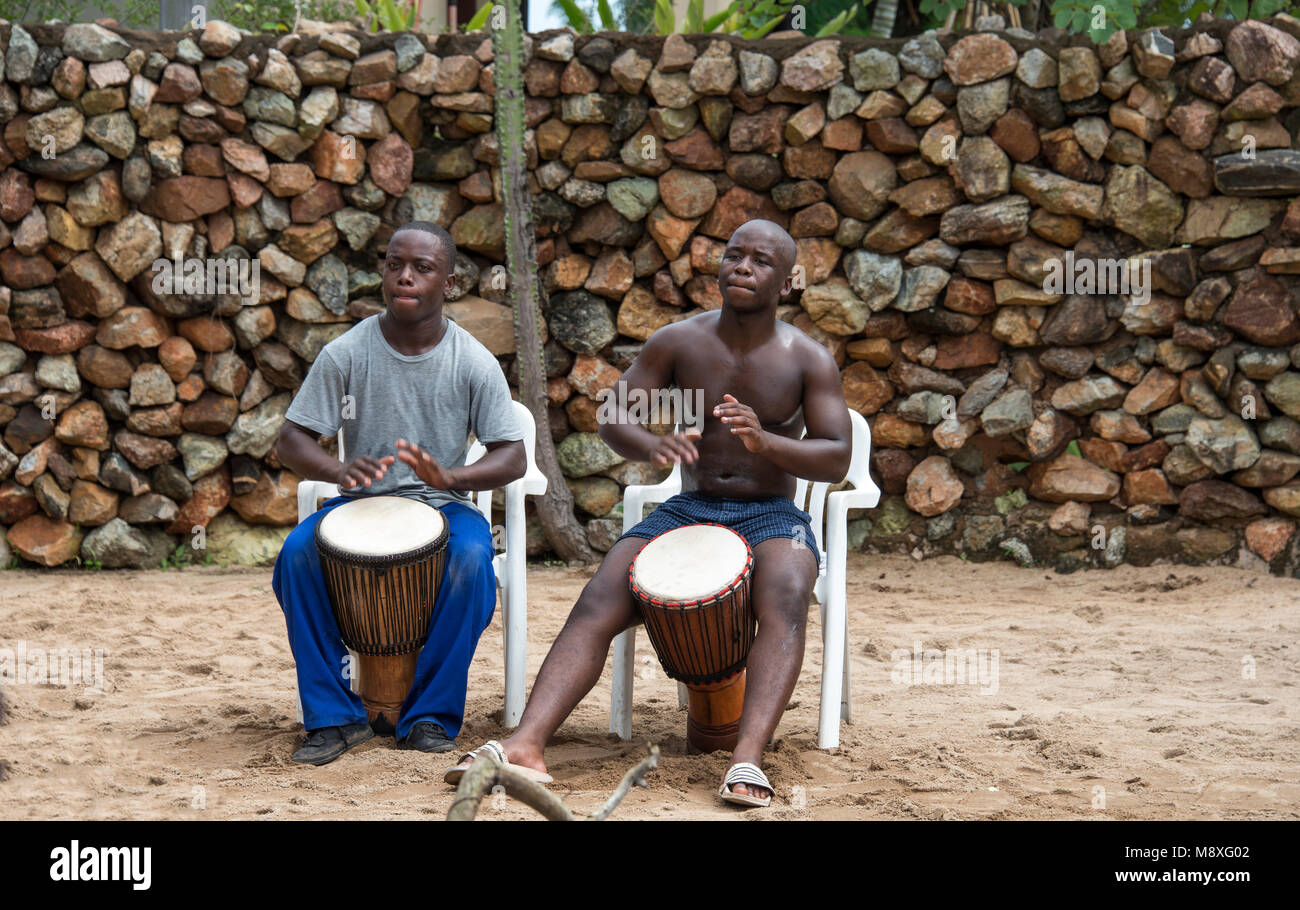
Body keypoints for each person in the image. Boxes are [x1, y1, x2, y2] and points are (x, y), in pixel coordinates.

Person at [447, 219, 853, 807]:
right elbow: (615, 418)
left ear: (787, 282)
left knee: (788, 586)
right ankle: (526, 744)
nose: (742, 267)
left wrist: (768, 444)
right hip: (690, 507)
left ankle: (746, 762)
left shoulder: (806, 358)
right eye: (734, 255)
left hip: (770, 514)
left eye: (760, 261)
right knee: (602, 591)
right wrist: (652, 446)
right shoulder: (679, 341)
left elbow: (835, 453)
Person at [273, 221, 526, 765]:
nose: (404, 276)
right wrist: (338, 470)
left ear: (449, 284)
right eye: (394, 264)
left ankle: (430, 715)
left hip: (443, 509)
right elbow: (291, 439)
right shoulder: (347, 352)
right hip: (360, 508)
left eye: (422, 268)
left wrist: (452, 479)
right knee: (296, 556)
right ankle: (334, 719)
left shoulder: (473, 361)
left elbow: (513, 455)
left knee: (472, 562)